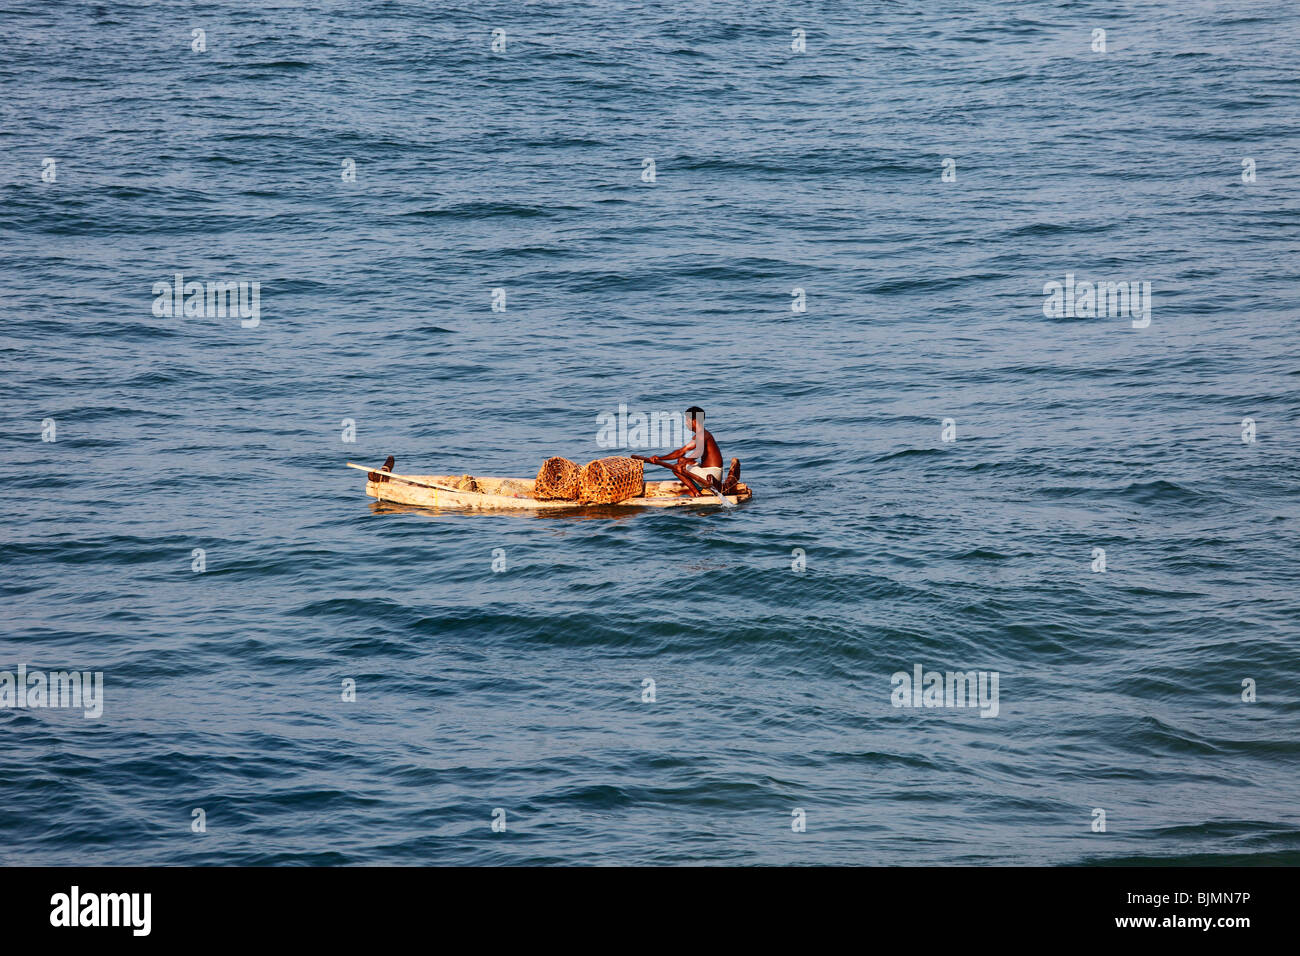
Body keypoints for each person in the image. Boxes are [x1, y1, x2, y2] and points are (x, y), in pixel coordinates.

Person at [650, 406, 723, 497]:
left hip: (711, 475)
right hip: (709, 473)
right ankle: (699, 489)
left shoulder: (702, 434)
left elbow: (699, 451)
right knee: (681, 460)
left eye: (687, 420)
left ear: (694, 421)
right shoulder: (701, 434)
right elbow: (681, 452)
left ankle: (697, 493)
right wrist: (660, 458)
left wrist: (682, 464)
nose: (686, 423)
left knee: (676, 467)